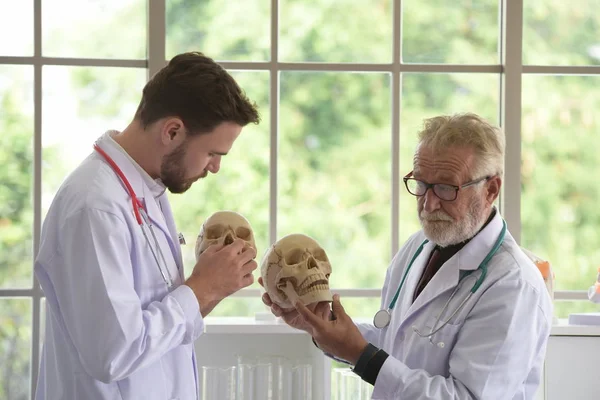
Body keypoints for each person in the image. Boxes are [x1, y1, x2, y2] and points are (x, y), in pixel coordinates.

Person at [261, 113, 553, 399]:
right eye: (421, 183)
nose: (428, 203)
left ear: (490, 189)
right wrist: (320, 323)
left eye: (445, 187)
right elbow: (396, 344)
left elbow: (465, 396)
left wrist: (360, 355)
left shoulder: (514, 286)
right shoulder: (418, 248)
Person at [34, 51, 260, 399]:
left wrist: (213, 288)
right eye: (213, 153)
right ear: (172, 131)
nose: (215, 168)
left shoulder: (146, 192)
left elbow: (157, 325)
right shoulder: (96, 207)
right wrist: (200, 288)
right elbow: (114, 352)